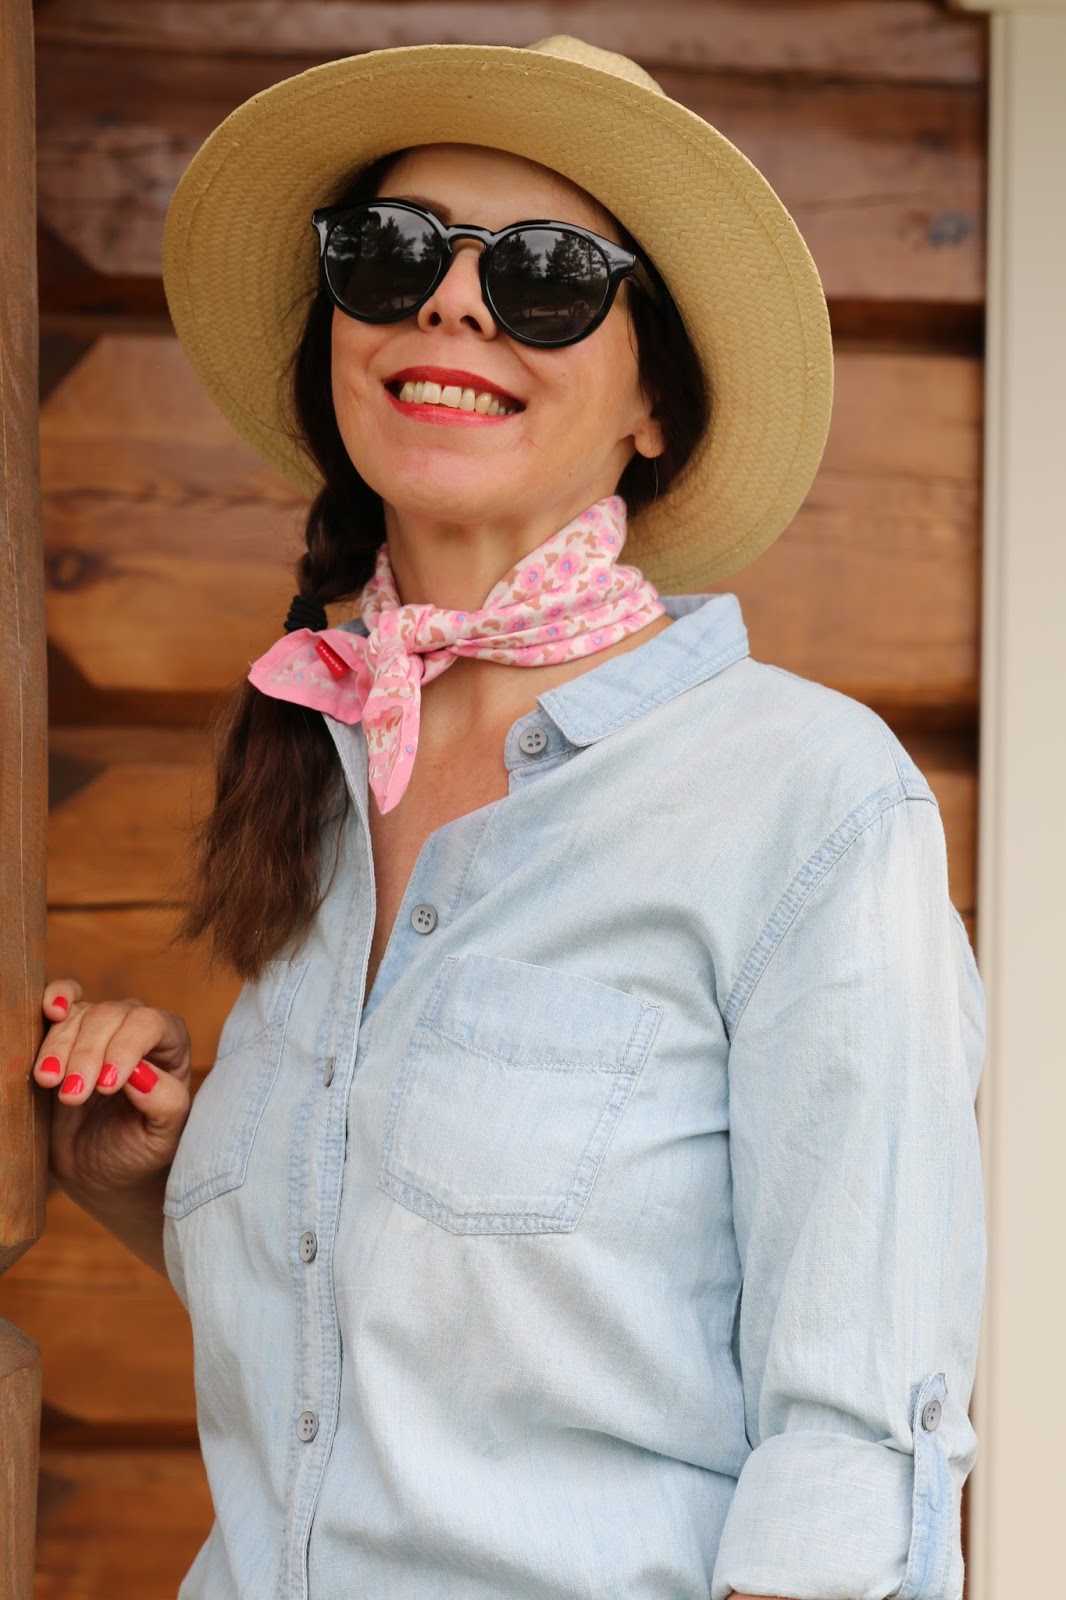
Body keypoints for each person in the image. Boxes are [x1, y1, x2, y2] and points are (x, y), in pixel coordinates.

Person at [32, 35, 986, 1600]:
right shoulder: (325, 777)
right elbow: (391, 1344)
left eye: (546, 277)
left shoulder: (807, 799)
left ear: (654, 403)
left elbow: (853, 1455)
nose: (453, 305)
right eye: (390, 254)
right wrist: (152, 1181)